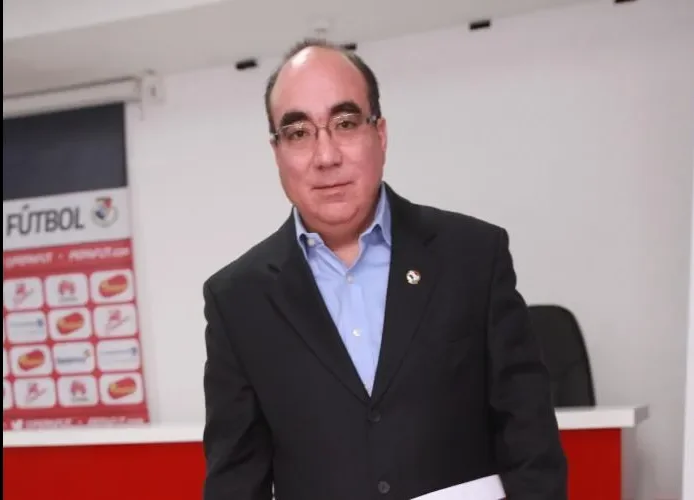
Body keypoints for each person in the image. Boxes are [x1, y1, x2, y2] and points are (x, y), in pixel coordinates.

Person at [201, 38, 568, 500]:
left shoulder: (474, 255)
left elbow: (530, 443)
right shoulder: (237, 300)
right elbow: (235, 480)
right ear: (277, 152)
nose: (326, 156)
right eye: (298, 133)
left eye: (345, 123)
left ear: (380, 134)